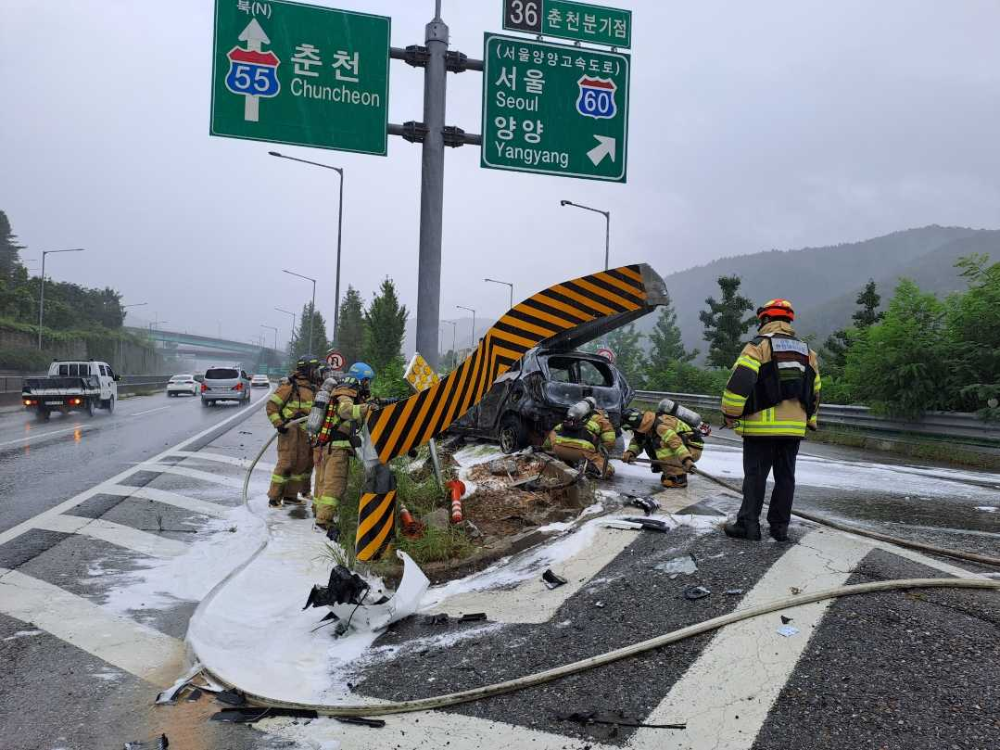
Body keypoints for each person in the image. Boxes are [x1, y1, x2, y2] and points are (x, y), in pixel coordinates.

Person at [720, 298, 821, 542]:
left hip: (760, 428)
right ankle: (779, 529)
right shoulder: (808, 352)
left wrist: (730, 413)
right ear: (788, 321)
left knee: (756, 476)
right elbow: (815, 390)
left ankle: (748, 526)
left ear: (765, 320)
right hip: (793, 429)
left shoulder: (758, 347)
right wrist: (810, 420)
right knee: (785, 478)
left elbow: (740, 383)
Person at [312, 362, 378, 530]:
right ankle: (324, 520)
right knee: (335, 484)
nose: (367, 385)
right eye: (367, 381)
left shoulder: (341, 388)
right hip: (337, 447)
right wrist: (366, 408)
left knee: (323, 482)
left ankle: (318, 511)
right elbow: (345, 411)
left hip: (325, 445)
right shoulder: (346, 391)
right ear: (362, 379)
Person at [266, 354, 319, 507]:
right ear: (307, 369)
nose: (316, 372)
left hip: (304, 432)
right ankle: (274, 498)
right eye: (314, 369)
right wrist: (279, 424)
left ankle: (290, 496)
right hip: (289, 432)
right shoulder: (290, 385)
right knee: (286, 463)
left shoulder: (312, 387)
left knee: (300, 465)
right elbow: (271, 406)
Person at [621, 399, 704, 488]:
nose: (632, 431)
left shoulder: (661, 426)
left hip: (692, 449)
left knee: (660, 444)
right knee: (650, 441)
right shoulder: (646, 424)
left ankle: (679, 477)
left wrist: (687, 460)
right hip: (683, 448)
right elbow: (638, 442)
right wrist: (630, 452)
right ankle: (669, 472)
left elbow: (676, 444)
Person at [543, 397, 617, 478]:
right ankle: (591, 468)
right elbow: (610, 441)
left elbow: (554, 431)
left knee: (568, 460)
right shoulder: (601, 419)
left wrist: (545, 449)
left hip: (558, 449)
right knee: (608, 469)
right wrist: (600, 453)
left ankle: (567, 463)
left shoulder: (573, 417)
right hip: (582, 452)